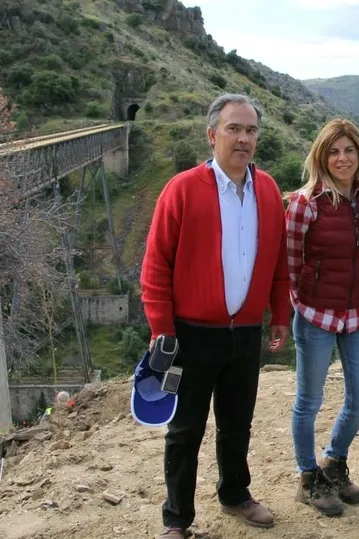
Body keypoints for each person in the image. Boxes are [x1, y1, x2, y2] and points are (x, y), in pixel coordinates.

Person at [140, 93, 292, 539]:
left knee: (237, 422)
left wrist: (279, 314)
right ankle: (177, 519)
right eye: (233, 129)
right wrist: (161, 330)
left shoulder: (266, 189)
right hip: (191, 333)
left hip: (244, 332)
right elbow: (155, 265)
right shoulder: (183, 189)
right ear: (212, 135)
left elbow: (279, 261)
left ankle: (235, 493)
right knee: (185, 429)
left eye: (250, 130)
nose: (243, 138)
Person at [284, 118, 359, 517]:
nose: (342, 158)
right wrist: (303, 300)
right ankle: (308, 478)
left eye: (349, 150)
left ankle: (334, 462)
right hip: (315, 315)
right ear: (321, 157)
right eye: (333, 151)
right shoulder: (306, 202)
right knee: (309, 401)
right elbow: (290, 263)